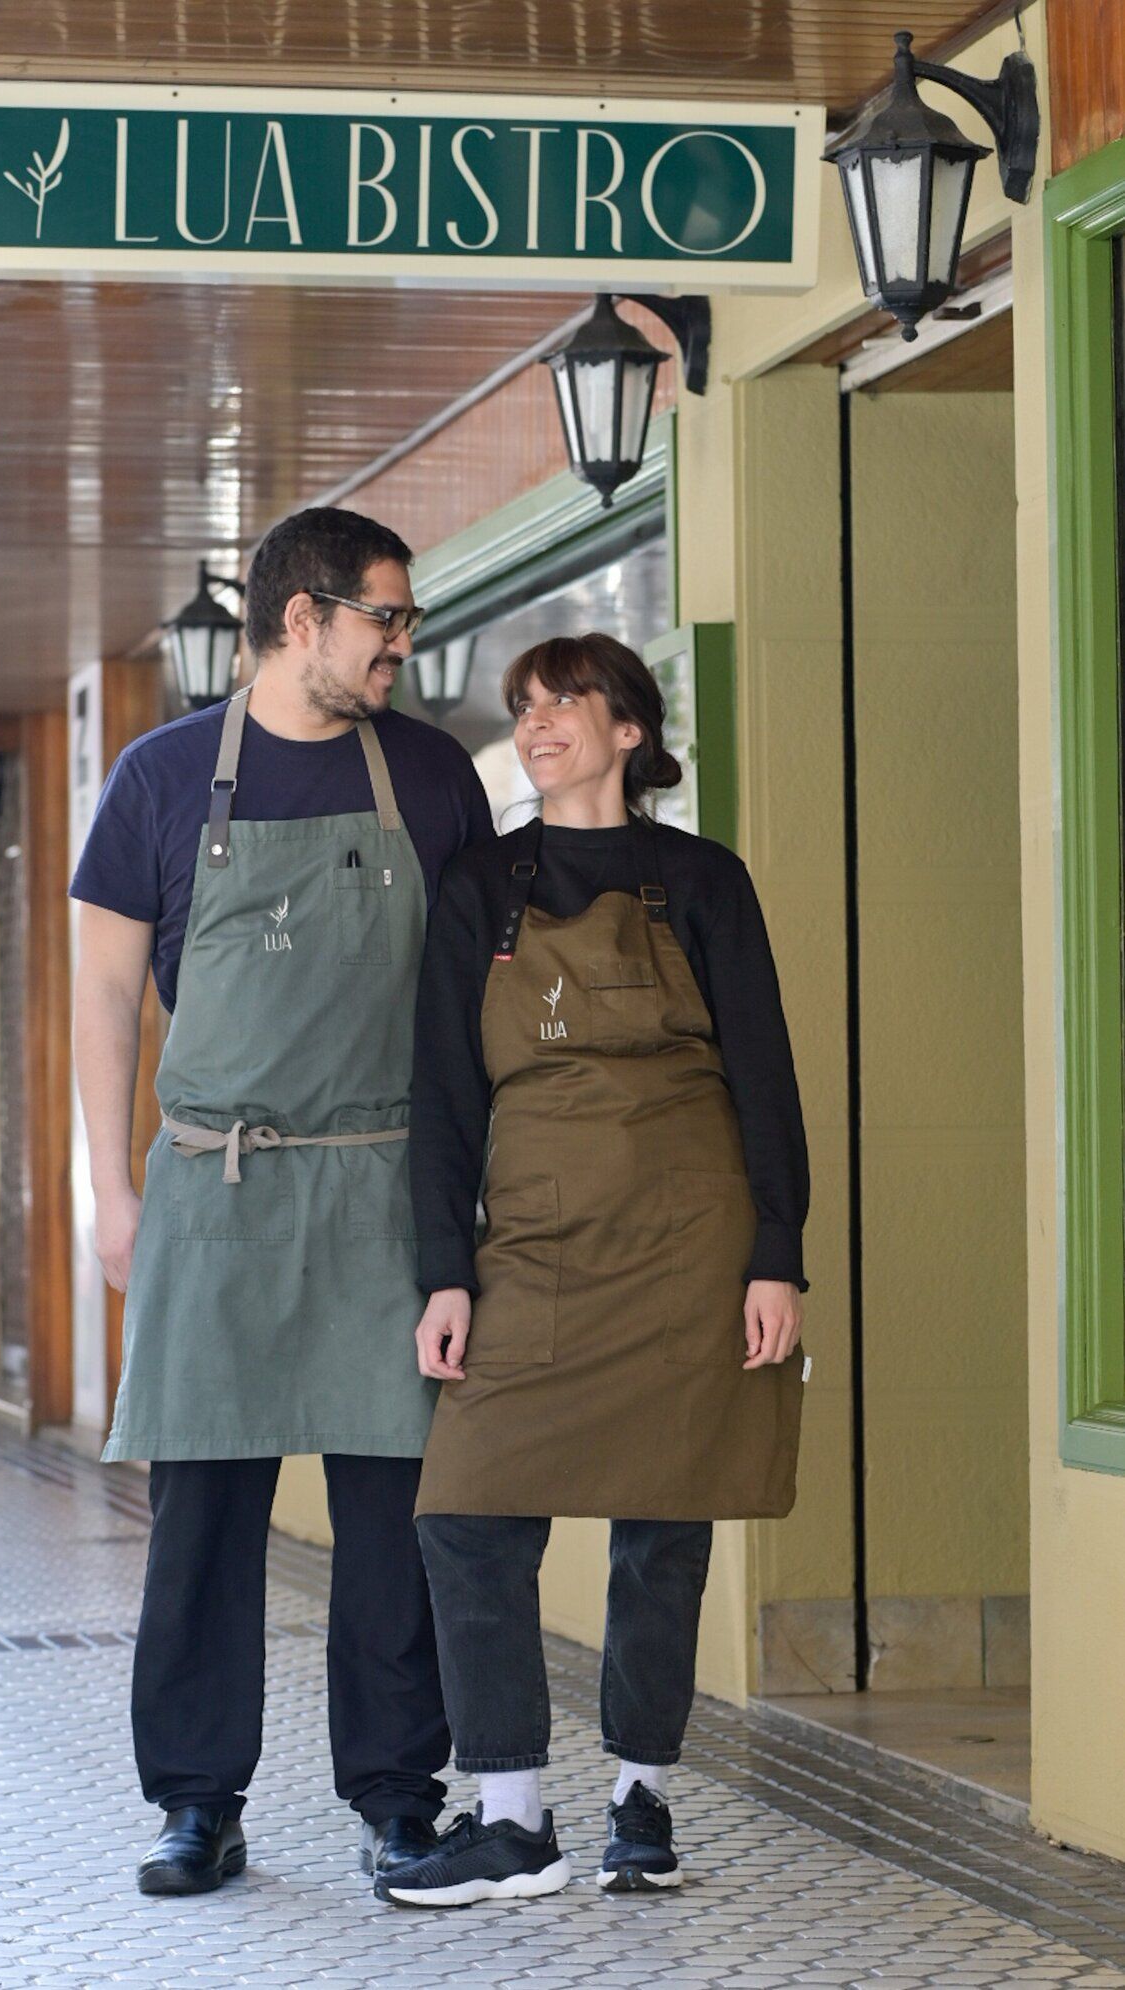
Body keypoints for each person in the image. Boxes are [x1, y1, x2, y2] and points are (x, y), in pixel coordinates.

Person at [71, 506, 494, 1896]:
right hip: (213, 1180)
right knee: (201, 1512)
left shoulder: (429, 778)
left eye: (407, 619)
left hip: (382, 1177)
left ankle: (394, 1792)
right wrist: (108, 1188)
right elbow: (105, 997)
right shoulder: (158, 775)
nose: (401, 642)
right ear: (299, 618)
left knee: (394, 1508)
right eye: (385, 617)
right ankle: (196, 1798)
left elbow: (467, 1000)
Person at [380, 632, 809, 1909]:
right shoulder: (480, 886)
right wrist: (442, 1271)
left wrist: (776, 1255)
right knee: (464, 1513)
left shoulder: (702, 881)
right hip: (533, 1243)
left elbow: (766, 1080)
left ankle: (641, 1798)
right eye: (523, 706)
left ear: (629, 728)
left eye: (564, 701)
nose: (537, 722)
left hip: (689, 1234)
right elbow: (442, 1095)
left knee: (660, 1523)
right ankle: (509, 1812)